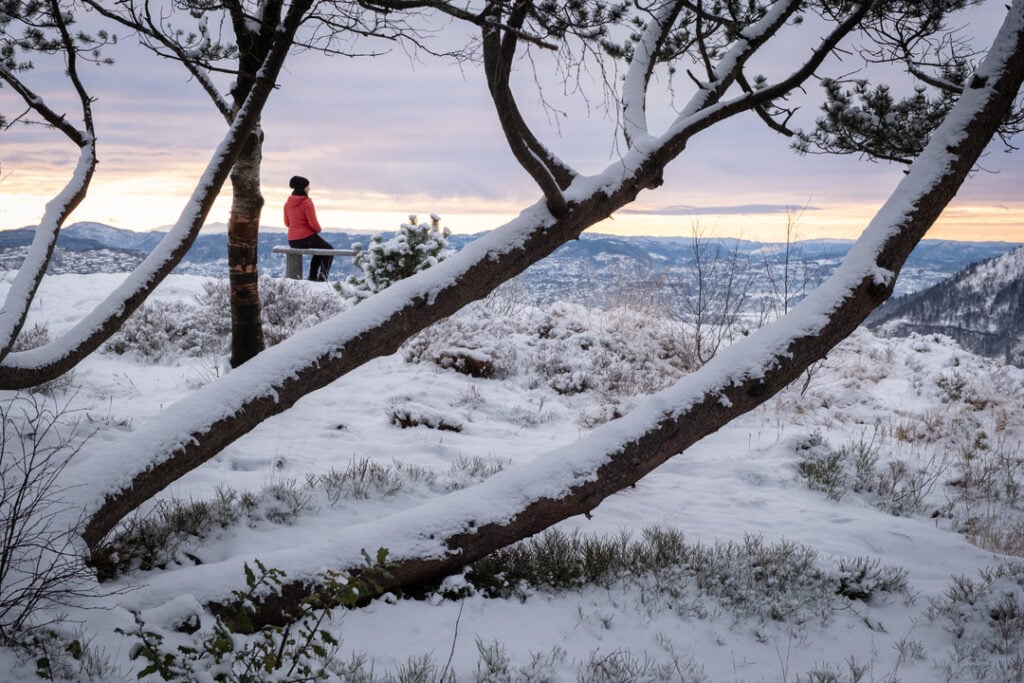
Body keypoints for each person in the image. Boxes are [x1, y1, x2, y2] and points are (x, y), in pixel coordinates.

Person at [283, 175, 333, 281]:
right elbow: (313, 223)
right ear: (303, 188)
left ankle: (313, 277)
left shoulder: (288, 203)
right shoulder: (307, 202)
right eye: (307, 187)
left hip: (292, 240)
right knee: (329, 250)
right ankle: (320, 278)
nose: (309, 189)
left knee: (320, 250)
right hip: (305, 238)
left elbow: (287, 223)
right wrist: (318, 230)